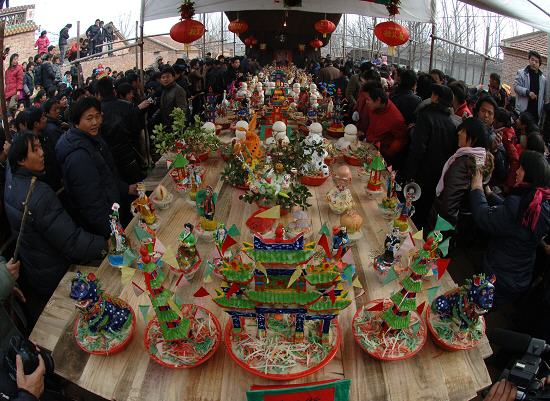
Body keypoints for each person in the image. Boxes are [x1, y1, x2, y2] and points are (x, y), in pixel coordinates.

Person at [4, 132, 107, 324]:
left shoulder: (11, 179)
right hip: (56, 272)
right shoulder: (39, 195)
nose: (42, 152)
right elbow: (72, 242)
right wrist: (105, 244)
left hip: (37, 269)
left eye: (40, 146)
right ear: (21, 160)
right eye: (35, 149)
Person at [470, 150, 550, 305]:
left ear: (530, 175)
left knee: (472, 308)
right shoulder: (542, 204)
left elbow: (484, 218)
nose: (517, 171)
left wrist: (476, 187)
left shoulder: (519, 206)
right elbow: (515, 218)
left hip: (498, 275)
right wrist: (490, 195)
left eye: (521, 168)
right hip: (519, 276)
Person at [56, 97, 137, 237]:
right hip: (107, 223)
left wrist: (126, 188)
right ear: (77, 121)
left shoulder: (91, 138)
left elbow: (106, 175)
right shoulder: (78, 156)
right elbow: (91, 202)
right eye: (89, 118)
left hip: (115, 209)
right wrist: (114, 232)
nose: (95, 122)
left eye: (97, 116)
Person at [403, 84, 457, 227]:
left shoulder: (426, 116)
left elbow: (417, 148)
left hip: (420, 174)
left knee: (410, 210)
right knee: (423, 213)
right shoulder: (451, 124)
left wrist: (409, 173)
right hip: (437, 177)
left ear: (436, 97)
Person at [428, 117, 491, 231]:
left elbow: (449, 206)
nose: (459, 133)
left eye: (463, 131)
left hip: (441, 226)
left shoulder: (463, 164)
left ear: (474, 138)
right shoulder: (481, 159)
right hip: (461, 224)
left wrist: (440, 232)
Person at [96, 77, 145, 184]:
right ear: (114, 91)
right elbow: (136, 131)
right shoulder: (127, 106)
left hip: (109, 159)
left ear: (99, 94)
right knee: (137, 186)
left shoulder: (97, 112)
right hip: (129, 155)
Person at [360, 81, 408, 167]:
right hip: (367, 149)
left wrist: (387, 154)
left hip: (380, 158)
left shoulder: (396, 118)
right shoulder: (374, 107)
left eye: (367, 99)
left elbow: (401, 139)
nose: (366, 102)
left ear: (378, 100)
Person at [26, 106, 63, 192]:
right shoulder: (31, 144)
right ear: (36, 124)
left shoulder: (43, 135)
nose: (46, 119)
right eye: (43, 118)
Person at [513, 50, 546, 124]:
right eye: (532, 60)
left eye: (536, 62)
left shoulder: (543, 79)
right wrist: (527, 92)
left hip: (536, 114)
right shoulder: (521, 73)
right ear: (529, 60)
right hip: (523, 112)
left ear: (539, 64)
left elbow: (544, 96)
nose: (534, 63)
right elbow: (516, 87)